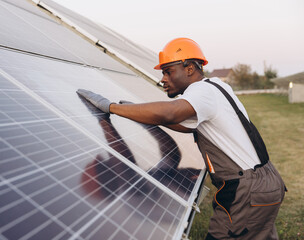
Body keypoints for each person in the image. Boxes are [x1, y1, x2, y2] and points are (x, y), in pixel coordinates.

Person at [77, 37, 286, 240]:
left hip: (246, 190)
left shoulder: (201, 91)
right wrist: (141, 115)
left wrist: (111, 108)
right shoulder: (215, 86)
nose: (163, 79)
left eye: (168, 71)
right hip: (265, 181)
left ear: (189, 68)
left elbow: (171, 114)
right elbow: (181, 125)